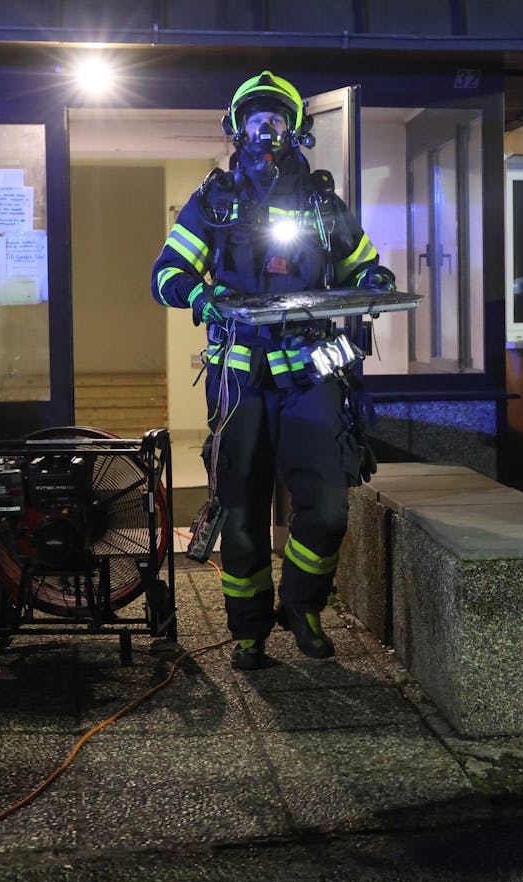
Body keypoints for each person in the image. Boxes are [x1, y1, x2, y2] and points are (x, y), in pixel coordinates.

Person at [150, 70, 394, 670]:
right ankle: (250, 632)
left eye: (278, 118)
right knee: (241, 507)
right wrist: (198, 297)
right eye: (256, 117)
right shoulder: (213, 203)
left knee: (328, 505)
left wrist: (374, 281)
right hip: (239, 381)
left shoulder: (320, 204)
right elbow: (165, 276)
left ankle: (304, 608)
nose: (267, 128)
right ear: (236, 127)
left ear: (297, 129)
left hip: (310, 374)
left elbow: (364, 265)